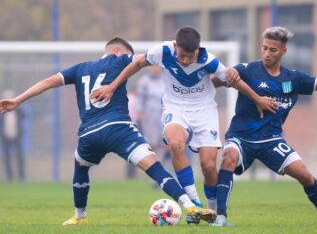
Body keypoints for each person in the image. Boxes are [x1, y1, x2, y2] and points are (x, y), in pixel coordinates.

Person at [0, 37, 217, 226]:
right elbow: (147, 59)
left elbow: (48, 82)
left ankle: (79, 216)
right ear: (117, 52)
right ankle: (190, 206)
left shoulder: (79, 68)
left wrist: (17, 100)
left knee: (81, 165)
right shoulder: (121, 59)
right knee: (154, 167)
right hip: (119, 128)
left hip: (88, 134)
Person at [90, 27, 276, 224]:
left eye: (190, 56)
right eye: (182, 55)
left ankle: (212, 213)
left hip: (204, 111)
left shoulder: (209, 61)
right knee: (175, 144)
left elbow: (235, 82)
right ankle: (194, 204)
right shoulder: (163, 51)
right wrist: (112, 86)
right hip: (175, 108)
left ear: (198, 49)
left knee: (208, 165)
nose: (186, 60)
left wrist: (258, 99)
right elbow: (137, 64)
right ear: (175, 46)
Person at [210, 26, 317, 227]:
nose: (267, 53)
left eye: (272, 50)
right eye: (264, 48)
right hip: (241, 136)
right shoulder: (247, 70)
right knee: (229, 158)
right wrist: (216, 82)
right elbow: (214, 82)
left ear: (283, 51)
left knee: (305, 175)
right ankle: (220, 217)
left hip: (271, 139)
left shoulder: (293, 79)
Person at [0, 90, 25, 181]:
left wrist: (17, 104)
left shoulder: (18, 110)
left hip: (17, 137)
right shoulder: (2, 112)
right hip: (5, 137)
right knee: (7, 158)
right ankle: (9, 177)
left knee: (20, 157)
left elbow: (24, 115)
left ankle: (21, 177)